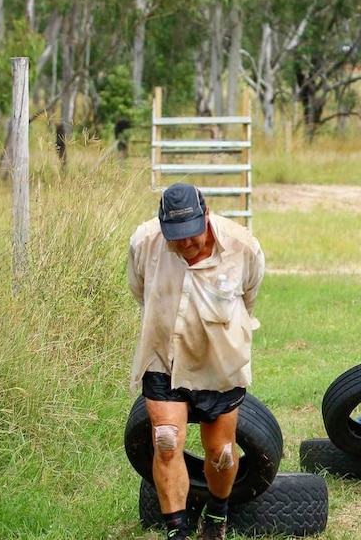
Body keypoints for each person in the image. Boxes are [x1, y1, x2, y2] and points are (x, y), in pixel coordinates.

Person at [127, 182, 266, 540]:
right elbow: (140, 291)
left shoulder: (241, 245)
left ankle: (216, 516)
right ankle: (177, 532)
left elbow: (249, 294)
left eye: (191, 235)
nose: (185, 244)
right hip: (164, 356)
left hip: (219, 362)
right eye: (176, 238)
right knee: (166, 441)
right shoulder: (145, 242)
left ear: (206, 216)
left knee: (220, 452)